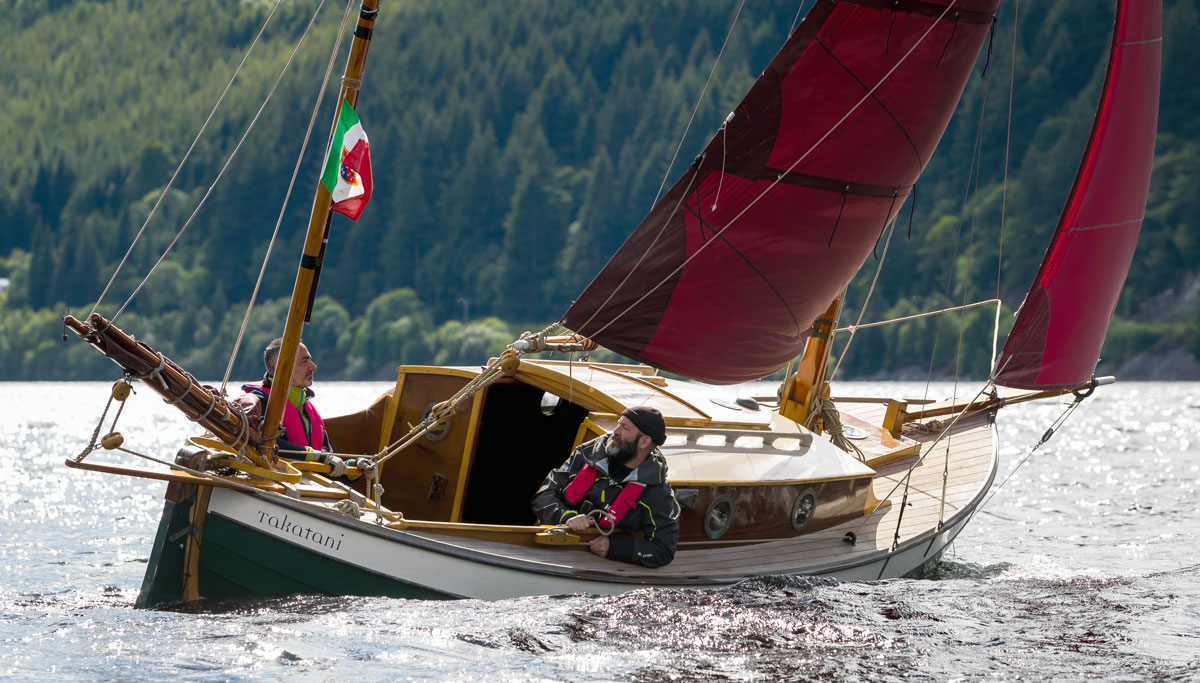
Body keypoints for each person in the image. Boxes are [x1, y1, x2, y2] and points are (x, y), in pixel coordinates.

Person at [532, 406, 679, 567]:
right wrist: (565, 516)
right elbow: (544, 495)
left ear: (644, 442)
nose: (615, 431)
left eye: (624, 428)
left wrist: (614, 547)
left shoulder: (657, 493)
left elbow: (664, 550)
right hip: (545, 542)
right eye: (618, 424)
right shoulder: (587, 453)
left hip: (594, 564)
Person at [237, 338, 368, 479]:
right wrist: (317, 456)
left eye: (310, 360)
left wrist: (355, 466)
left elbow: (327, 465)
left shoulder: (308, 413)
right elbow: (266, 443)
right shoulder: (258, 402)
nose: (313, 366)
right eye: (304, 361)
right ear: (276, 367)